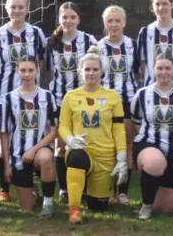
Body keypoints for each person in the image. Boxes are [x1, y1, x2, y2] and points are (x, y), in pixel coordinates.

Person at [58, 46, 127, 223]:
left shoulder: (113, 96)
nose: (91, 73)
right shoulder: (70, 97)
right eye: (87, 69)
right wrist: (70, 140)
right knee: (76, 158)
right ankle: (74, 210)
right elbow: (63, 126)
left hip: (105, 157)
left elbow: (118, 129)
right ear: (80, 71)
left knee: (98, 207)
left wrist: (122, 157)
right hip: (82, 151)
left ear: (102, 71)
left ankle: (88, 189)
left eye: (95, 69)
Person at [0, 0, 47, 202]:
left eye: (20, 7)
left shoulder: (36, 33)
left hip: (31, 97)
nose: (17, 11)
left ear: (27, 9)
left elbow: (41, 63)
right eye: (13, 7)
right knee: (3, 139)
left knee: (31, 137)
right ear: (7, 9)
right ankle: (4, 189)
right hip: (4, 96)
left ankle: (33, 186)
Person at [130, 53, 173, 220]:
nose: (163, 72)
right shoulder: (142, 94)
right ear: (153, 70)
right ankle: (146, 205)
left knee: (165, 210)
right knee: (155, 162)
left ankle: (154, 194)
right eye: (159, 68)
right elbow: (136, 122)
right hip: (148, 144)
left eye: (167, 68)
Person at [46, 2, 97, 203]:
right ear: (59, 19)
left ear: (79, 19)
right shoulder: (50, 42)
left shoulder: (88, 40)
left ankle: (83, 187)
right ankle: (64, 190)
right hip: (59, 98)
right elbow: (48, 70)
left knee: (83, 142)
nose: (68, 21)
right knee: (60, 144)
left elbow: (95, 69)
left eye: (72, 17)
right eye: (64, 17)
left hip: (82, 100)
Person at [0, 56, 57, 218]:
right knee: (26, 208)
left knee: (46, 158)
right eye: (23, 70)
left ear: (37, 71)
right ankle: (34, 193)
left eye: (31, 70)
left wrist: (33, 149)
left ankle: (48, 203)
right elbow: (4, 133)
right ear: (17, 72)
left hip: (39, 150)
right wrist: (6, 164)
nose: (27, 74)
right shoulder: (8, 98)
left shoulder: (47, 97)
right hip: (18, 155)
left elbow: (54, 132)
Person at [96, 5, 139, 205]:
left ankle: (123, 191)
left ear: (124, 22)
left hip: (129, 100)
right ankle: (109, 190)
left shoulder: (133, 45)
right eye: (110, 21)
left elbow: (138, 71)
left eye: (117, 21)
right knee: (108, 147)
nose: (114, 25)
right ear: (105, 23)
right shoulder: (97, 47)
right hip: (105, 102)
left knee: (127, 147)